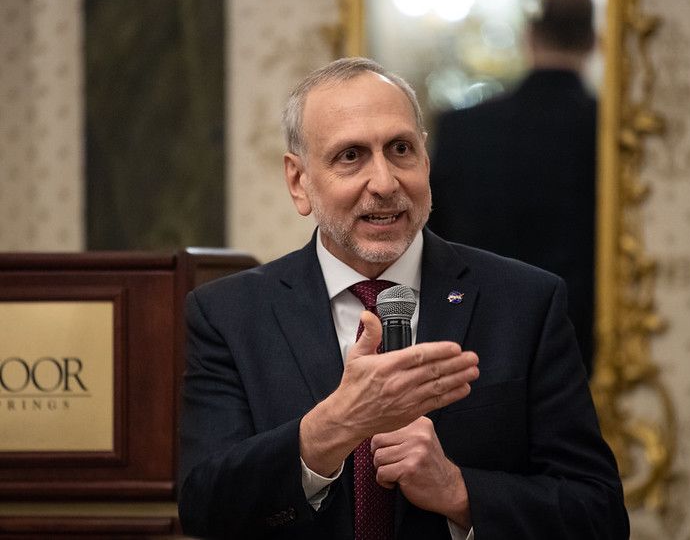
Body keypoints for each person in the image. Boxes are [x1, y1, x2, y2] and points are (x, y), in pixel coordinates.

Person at [178, 57, 627, 539]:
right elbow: (205, 508)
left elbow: (598, 515)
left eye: (400, 149)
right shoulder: (227, 314)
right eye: (350, 156)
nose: (386, 182)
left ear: (426, 161)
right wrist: (331, 428)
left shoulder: (526, 303)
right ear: (299, 181)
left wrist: (459, 492)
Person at [427, 0, 598, 375]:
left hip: (473, 328)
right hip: (578, 331)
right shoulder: (608, 132)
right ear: (593, 42)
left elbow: (433, 231)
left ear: (529, 38)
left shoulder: (463, 128)